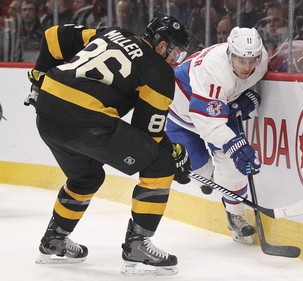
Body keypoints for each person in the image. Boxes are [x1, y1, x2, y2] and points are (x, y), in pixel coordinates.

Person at [23, 16, 191, 275]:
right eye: (177, 53)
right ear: (161, 46)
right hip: (85, 119)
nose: (176, 60)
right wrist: (173, 158)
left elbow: (53, 36)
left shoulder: (111, 32)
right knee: (160, 165)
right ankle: (137, 244)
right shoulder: (159, 73)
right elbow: (148, 136)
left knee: (86, 177)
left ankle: (54, 239)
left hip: (47, 108)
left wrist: (40, 76)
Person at [166, 26, 268, 244]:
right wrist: (236, 144)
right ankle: (218, 184)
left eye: (252, 60)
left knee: (231, 166)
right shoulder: (213, 70)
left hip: (215, 109)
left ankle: (235, 214)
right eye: (241, 61)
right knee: (200, 170)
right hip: (179, 114)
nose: (248, 67)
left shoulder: (261, 61)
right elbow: (208, 124)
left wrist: (244, 98)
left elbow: (237, 88)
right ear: (229, 54)